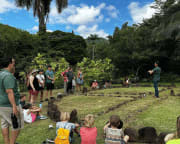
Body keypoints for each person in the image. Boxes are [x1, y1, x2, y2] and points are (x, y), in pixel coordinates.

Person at [0, 57, 24, 144]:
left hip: (1, 105)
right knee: (16, 125)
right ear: (10, 64)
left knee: (4, 124)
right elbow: (9, 91)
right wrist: (14, 106)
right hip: (9, 105)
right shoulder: (8, 76)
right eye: (13, 62)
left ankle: (7, 142)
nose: (14, 64)